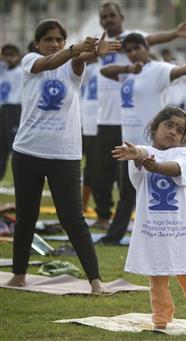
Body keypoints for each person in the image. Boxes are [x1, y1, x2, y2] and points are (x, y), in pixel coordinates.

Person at [6, 19, 120, 293]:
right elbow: (47, 63)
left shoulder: (72, 65)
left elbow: (78, 58)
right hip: (27, 152)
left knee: (73, 219)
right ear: (37, 44)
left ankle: (95, 282)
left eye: (59, 39)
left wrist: (95, 51)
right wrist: (74, 48)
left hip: (65, 156)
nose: (55, 43)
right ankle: (19, 275)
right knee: (26, 218)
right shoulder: (30, 60)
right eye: (49, 39)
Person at [96, 33, 186, 245]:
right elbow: (104, 70)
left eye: (137, 48)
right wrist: (127, 69)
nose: (134, 53)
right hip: (130, 146)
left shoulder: (158, 70)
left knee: (147, 194)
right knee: (127, 194)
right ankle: (121, 235)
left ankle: (138, 236)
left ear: (147, 47)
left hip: (152, 147)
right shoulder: (129, 72)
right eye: (129, 51)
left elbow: (179, 71)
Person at [111, 106, 186, 331]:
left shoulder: (183, 154)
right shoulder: (142, 151)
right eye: (169, 125)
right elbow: (141, 155)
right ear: (155, 127)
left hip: (180, 228)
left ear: (184, 137)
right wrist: (139, 157)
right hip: (153, 229)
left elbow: (175, 169)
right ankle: (161, 320)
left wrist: (156, 166)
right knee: (157, 276)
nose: (173, 131)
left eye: (180, 130)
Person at [93, 2, 186, 229]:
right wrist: (125, 68)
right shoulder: (104, 45)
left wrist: (176, 33)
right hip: (107, 119)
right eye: (104, 17)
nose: (109, 20)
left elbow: (155, 40)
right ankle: (104, 217)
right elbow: (102, 68)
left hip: (137, 129)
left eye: (113, 15)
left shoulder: (139, 45)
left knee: (136, 179)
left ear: (121, 17)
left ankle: (134, 224)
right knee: (101, 173)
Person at [0, 44, 22, 181]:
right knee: (1, 149)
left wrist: (8, 60)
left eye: (12, 55)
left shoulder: (21, 72)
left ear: (18, 57)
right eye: (5, 55)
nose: (8, 58)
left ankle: (22, 179)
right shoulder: (2, 70)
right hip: (2, 110)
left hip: (13, 110)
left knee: (15, 148)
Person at [79, 60, 99, 211]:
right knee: (90, 166)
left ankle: (102, 207)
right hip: (87, 123)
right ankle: (83, 204)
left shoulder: (117, 67)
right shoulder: (87, 68)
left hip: (108, 123)